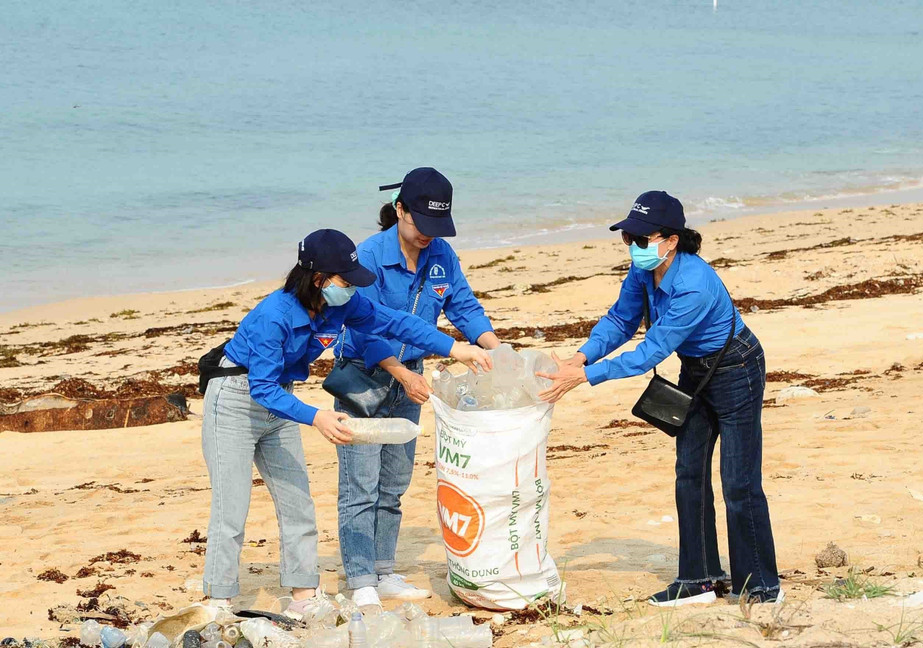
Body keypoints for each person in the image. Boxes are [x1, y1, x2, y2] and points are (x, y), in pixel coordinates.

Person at [200, 228, 491, 619]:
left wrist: (456, 348)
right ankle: (220, 598)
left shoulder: (341, 306)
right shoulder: (274, 316)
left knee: (298, 504)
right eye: (344, 282)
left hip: (283, 400)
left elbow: (398, 324)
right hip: (237, 400)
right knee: (231, 508)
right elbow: (261, 387)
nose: (352, 290)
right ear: (318, 279)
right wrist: (317, 416)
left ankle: (303, 595)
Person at [539, 191, 782, 607]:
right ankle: (699, 579)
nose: (633, 248)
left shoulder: (694, 285)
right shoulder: (641, 272)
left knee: (739, 483)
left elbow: (652, 351)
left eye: (641, 239)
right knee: (689, 473)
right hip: (695, 370)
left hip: (736, 369)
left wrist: (585, 377)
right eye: (627, 239)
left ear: (671, 240)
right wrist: (577, 358)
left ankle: (760, 585)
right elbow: (620, 320)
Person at [334, 168, 501, 611]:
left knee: (394, 482)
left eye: (437, 227)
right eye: (420, 224)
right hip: (364, 377)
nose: (428, 235)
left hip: (412, 378)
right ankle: (360, 577)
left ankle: (385, 571)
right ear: (399, 210)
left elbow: (462, 304)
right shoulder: (367, 256)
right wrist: (401, 373)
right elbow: (363, 326)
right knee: (360, 483)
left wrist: (497, 350)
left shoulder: (442, 253)